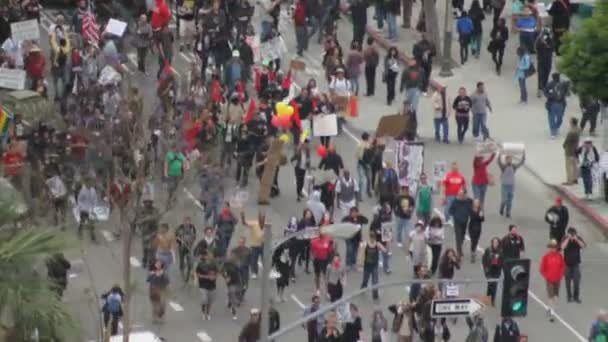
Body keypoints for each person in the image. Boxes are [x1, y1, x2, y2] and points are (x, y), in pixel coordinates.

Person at [540, 239, 566, 322]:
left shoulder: (559, 256)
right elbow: (542, 269)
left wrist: (561, 275)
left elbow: (563, 266)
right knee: (551, 295)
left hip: (557, 279)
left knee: (556, 295)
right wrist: (546, 276)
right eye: (551, 247)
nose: (553, 249)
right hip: (549, 279)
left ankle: (551, 307)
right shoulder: (546, 257)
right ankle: (552, 310)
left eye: (554, 247)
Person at [561, 227, 586, 303]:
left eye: (573, 234)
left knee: (576, 282)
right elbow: (562, 247)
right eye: (570, 234)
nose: (572, 235)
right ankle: (569, 297)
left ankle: (576, 297)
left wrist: (576, 239)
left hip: (576, 264)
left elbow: (583, 246)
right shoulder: (565, 238)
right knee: (567, 282)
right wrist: (568, 239)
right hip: (567, 264)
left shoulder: (578, 238)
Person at [358, 231, 385, 301]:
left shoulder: (377, 244)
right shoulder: (365, 244)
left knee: (375, 281)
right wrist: (360, 265)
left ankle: (375, 295)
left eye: (374, 238)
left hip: (374, 265)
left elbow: (384, 250)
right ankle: (363, 288)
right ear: (369, 238)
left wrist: (387, 243)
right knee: (365, 279)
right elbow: (361, 255)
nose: (373, 240)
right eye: (371, 238)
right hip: (367, 265)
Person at [497, 152, 525, 218]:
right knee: (504, 199)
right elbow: (498, 162)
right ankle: (502, 207)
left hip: (511, 186)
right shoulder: (503, 166)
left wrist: (523, 155)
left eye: (510, 159)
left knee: (509, 201)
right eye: (508, 159)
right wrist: (500, 154)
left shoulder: (514, 166)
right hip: (504, 186)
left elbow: (521, 163)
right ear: (506, 160)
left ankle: (508, 212)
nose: (509, 160)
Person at [240, 211, 266, 279]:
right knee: (254, 260)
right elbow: (244, 223)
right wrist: (242, 217)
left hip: (264, 245)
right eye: (261, 217)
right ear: (258, 218)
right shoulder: (254, 224)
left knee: (265, 259)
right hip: (255, 245)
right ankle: (254, 272)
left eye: (263, 217)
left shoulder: (266, 225)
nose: (262, 219)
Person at [545, 73, 570, 138]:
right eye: (554, 77)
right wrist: (550, 96)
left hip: (561, 103)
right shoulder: (550, 84)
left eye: (557, 77)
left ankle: (556, 127)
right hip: (552, 103)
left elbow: (567, 92)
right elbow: (545, 92)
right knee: (551, 118)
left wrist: (567, 93)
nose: (556, 78)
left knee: (560, 117)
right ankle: (553, 132)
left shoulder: (563, 84)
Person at [449, 187, 473, 258]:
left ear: (465, 194)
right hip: (457, 221)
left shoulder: (469, 201)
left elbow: (473, 208)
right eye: (459, 194)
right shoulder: (455, 201)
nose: (460, 196)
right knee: (458, 236)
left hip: (465, 221)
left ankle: (460, 245)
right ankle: (459, 251)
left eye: (462, 194)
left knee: (462, 235)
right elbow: (451, 210)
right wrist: (454, 215)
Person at [310, 229, 334, 295]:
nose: (322, 234)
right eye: (320, 233)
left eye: (323, 233)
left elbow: (330, 252)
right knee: (317, 275)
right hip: (317, 260)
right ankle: (318, 289)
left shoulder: (328, 241)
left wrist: (330, 262)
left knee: (325, 276)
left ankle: (327, 291)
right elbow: (312, 250)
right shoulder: (314, 241)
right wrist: (312, 256)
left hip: (325, 261)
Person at [482, 237, 503, 306]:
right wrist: (485, 269)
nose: (495, 244)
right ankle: (488, 298)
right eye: (494, 242)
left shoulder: (500, 251)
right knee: (490, 285)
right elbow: (484, 260)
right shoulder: (488, 250)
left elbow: (502, 261)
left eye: (496, 242)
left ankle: (493, 300)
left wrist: (498, 263)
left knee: (495, 286)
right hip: (489, 270)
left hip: (496, 271)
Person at [147, 259, 170, 324]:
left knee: (162, 305)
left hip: (162, 290)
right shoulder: (152, 273)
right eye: (157, 264)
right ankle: (154, 318)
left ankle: (161, 317)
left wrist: (169, 289)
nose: (158, 265)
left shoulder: (164, 274)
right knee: (155, 306)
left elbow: (167, 282)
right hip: (153, 290)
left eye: (159, 264)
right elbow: (148, 282)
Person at [535, 28, 554, 99]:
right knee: (541, 74)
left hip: (548, 60)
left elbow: (552, 47)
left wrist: (547, 44)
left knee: (546, 74)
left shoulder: (551, 39)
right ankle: (539, 89)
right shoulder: (539, 40)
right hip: (541, 60)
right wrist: (542, 42)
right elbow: (537, 47)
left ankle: (544, 87)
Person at [563, 117, 581, 184]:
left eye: (570, 122)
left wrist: (564, 145)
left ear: (572, 123)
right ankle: (575, 178)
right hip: (575, 150)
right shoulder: (578, 130)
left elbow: (567, 141)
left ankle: (569, 181)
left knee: (568, 166)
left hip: (569, 151)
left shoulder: (571, 132)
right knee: (574, 165)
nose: (569, 123)